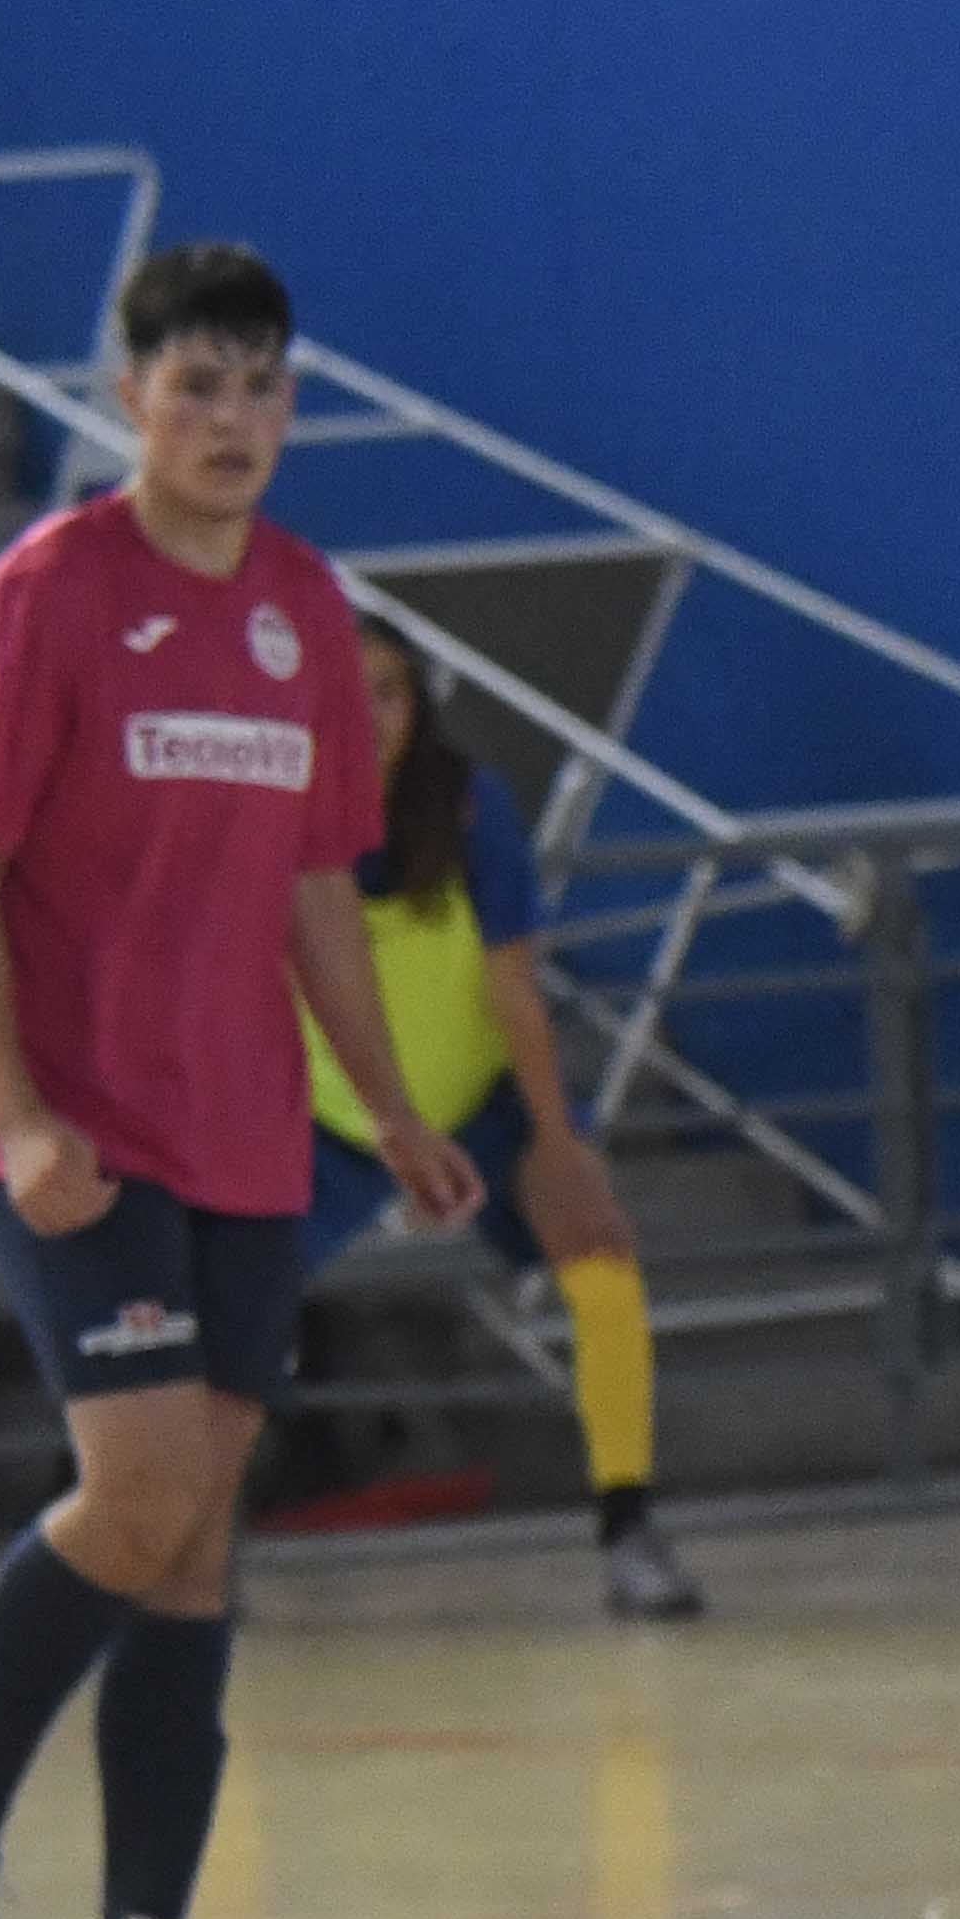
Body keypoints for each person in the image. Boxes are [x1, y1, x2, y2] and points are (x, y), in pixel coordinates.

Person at [0, 242, 485, 1919]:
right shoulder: (45, 595)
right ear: (127, 396)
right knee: (137, 1491)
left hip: (245, 1134)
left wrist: (388, 1107)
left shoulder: (303, 607)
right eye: (196, 385)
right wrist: (23, 1114)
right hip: (71, 1130)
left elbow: (316, 890)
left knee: (196, 1534)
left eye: (262, 387)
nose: (232, 420)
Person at [296, 618, 705, 1618]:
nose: (370, 713)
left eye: (390, 691)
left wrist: (557, 1139)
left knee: (601, 1259)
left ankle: (628, 1525)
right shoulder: (276, 813)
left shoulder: (471, 807)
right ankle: (193, 1550)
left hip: (477, 1102)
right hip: (329, 1115)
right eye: (347, 692)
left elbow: (512, 982)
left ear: (418, 705)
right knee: (223, 1303)